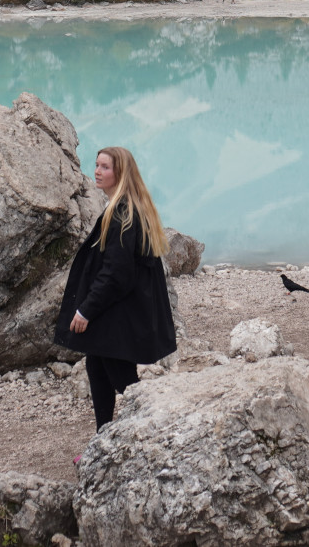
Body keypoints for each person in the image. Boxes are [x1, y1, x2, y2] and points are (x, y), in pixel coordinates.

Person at [53, 146, 177, 429]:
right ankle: (103, 436)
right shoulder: (124, 207)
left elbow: (116, 274)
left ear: (120, 173)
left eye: (105, 167)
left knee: (124, 381)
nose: (97, 171)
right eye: (96, 165)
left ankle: (155, 430)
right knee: (96, 366)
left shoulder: (123, 214)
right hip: (120, 310)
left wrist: (86, 310)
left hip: (119, 313)